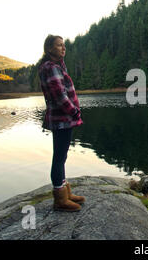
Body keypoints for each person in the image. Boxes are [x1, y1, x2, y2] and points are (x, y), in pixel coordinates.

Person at [38, 34, 85, 212]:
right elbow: (59, 95)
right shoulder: (50, 67)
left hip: (62, 118)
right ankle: (60, 199)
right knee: (59, 157)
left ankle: (65, 192)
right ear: (49, 49)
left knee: (61, 156)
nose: (63, 48)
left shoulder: (54, 66)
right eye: (59, 45)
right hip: (62, 118)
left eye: (64, 45)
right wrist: (73, 111)